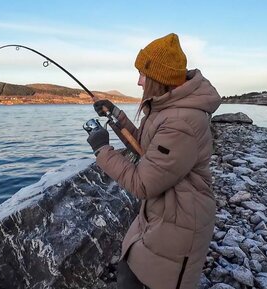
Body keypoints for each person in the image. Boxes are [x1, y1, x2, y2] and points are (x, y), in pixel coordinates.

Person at [86, 33, 222, 289]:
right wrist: (116, 116)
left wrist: (102, 149)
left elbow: (143, 183)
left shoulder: (180, 122)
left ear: (159, 78)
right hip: (164, 213)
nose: (138, 81)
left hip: (179, 222)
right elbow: (150, 151)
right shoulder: (168, 109)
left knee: (133, 279)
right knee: (128, 273)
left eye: (142, 74)